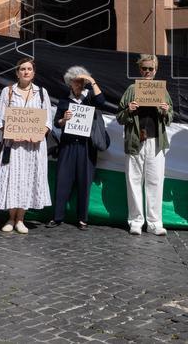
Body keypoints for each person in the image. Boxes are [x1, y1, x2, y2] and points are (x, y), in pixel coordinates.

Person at [0, 57, 52, 233]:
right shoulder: (7, 91)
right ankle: (10, 218)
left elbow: (48, 120)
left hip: (33, 147)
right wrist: (10, 132)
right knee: (12, 179)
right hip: (13, 145)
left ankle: (21, 219)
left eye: (29, 69)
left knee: (28, 179)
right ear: (17, 72)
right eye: (22, 69)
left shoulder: (42, 92)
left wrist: (40, 133)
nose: (26, 72)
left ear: (33, 73)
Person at [117, 54, 173, 235]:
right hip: (135, 141)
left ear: (156, 70)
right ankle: (135, 221)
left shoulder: (162, 91)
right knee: (133, 180)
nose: (147, 72)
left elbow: (171, 117)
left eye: (151, 68)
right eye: (144, 68)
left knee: (155, 181)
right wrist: (128, 110)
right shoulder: (132, 89)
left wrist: (165, 111)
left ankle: (155, 222)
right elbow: (119, 117)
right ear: (140, 70)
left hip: (156, 141)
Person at [48, 66, 105, 230]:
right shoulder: (65, 101)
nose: (79, 85)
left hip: (86, 147)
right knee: (62, 180)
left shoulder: (91, 99)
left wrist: (92, 81)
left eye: (81, 81)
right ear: (69, 83)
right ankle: (57, 216)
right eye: (76, 82)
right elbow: (56, 124)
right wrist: (64, 120)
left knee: (84, 182)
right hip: (67, 146)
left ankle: (82, 219)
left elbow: (102, 101)